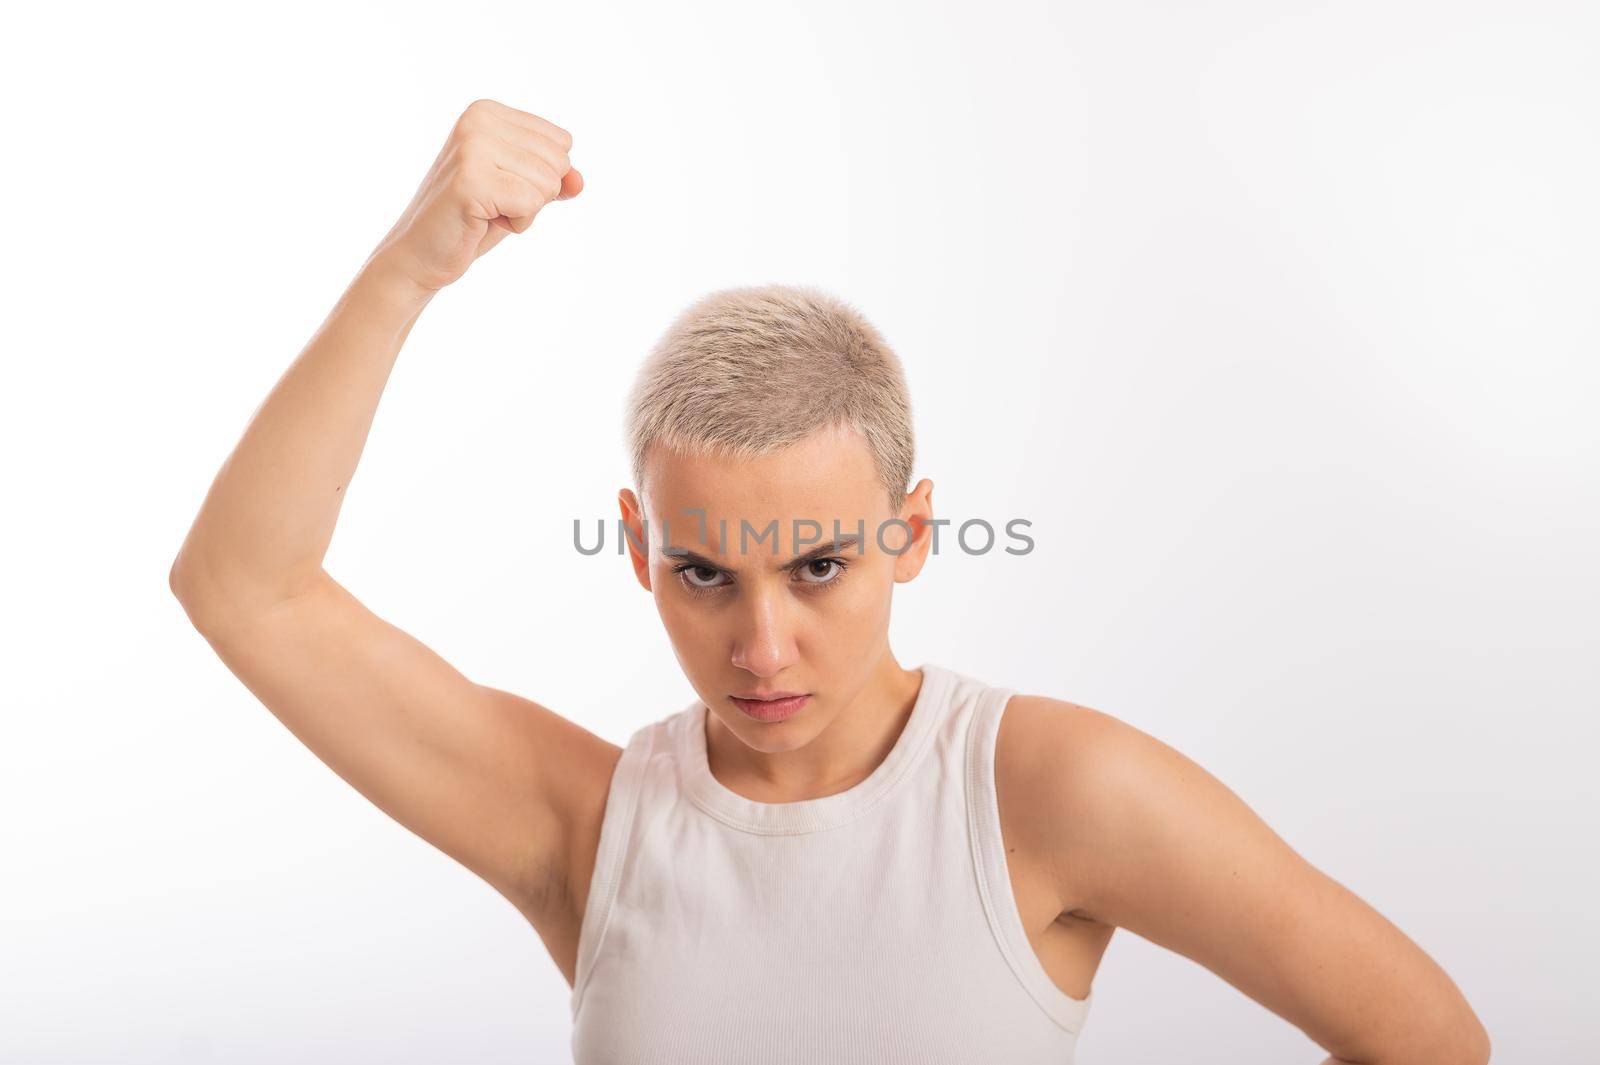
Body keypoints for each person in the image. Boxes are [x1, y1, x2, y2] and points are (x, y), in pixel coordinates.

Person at [169, 98, 1490, 1065]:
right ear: (639, 550)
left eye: (818, 567)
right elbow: (245, 589)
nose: (762, 645)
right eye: (702, 574)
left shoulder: (1046, 790)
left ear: (910, 532)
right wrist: (413, 265)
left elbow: (1423, 1035)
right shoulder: (590, 825)